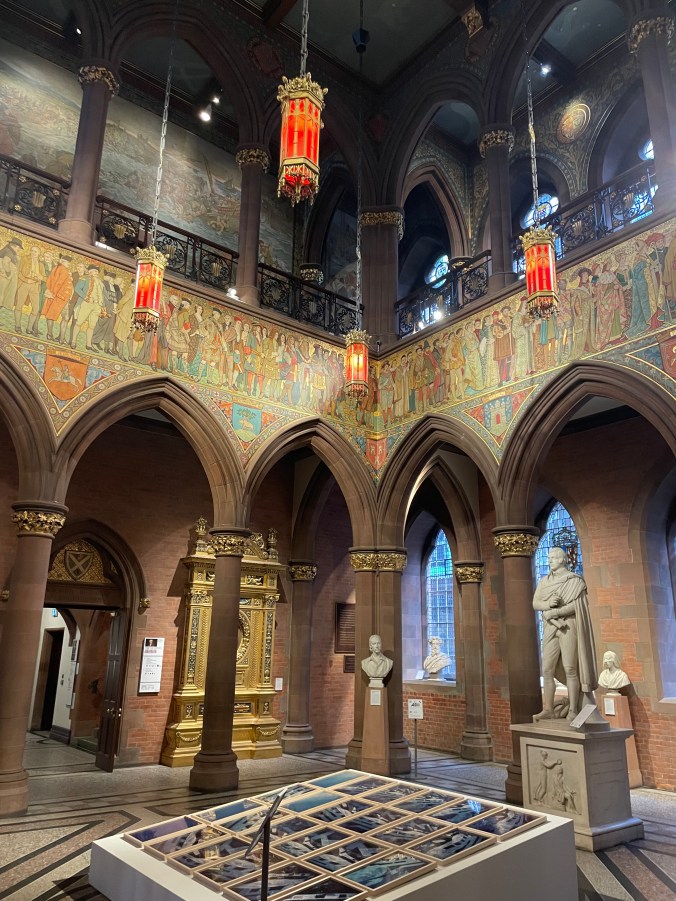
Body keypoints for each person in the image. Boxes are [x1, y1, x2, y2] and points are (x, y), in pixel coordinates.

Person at [533, 546, 598, 721]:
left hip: (568, 626)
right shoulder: (544, 582)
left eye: (553, 558)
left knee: (570, 668)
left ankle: (573, 710)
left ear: (563, 559)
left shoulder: (575, 581)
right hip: (550, 627)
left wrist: (555, 612)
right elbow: (536, 603)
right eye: (549, 558)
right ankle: (548, 709)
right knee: (547, 669)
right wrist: (548, 604)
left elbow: (578, 606)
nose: (550, 561)